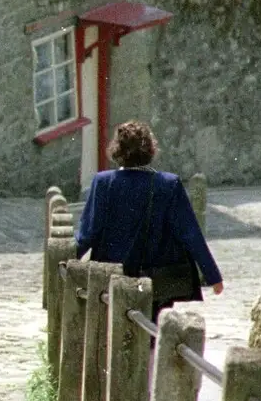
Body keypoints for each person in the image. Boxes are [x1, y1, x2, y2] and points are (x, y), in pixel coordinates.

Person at [75, 120, 224, 322]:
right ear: (150, 150)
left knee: (113, 332)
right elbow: (190, 233)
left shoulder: (103, 183)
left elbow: (88, 233)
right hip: (156, 278)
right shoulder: (168, 184)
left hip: (111, 276)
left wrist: (68, 261)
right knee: (151, 336)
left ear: (116, 150)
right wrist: (213, 275)